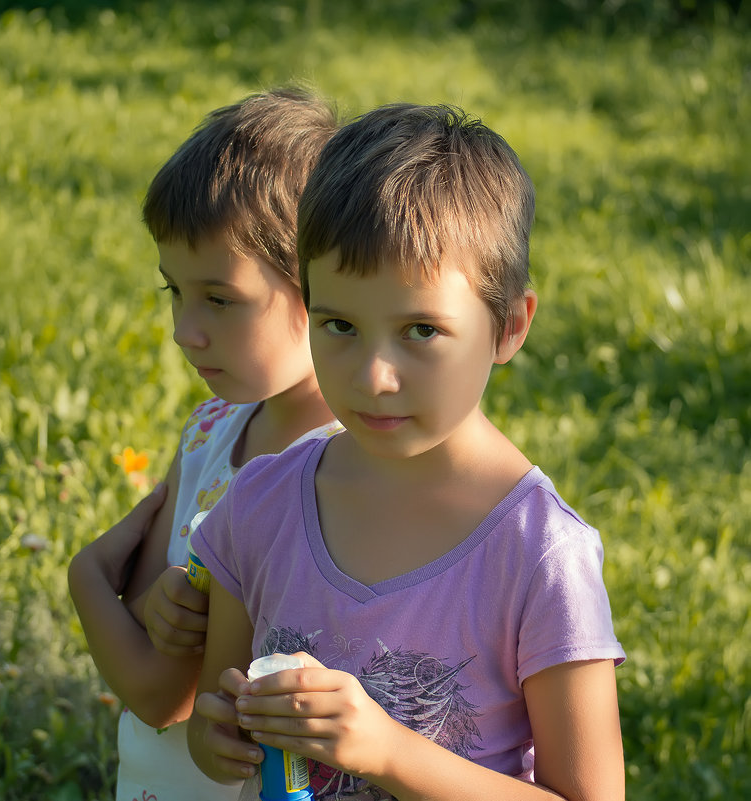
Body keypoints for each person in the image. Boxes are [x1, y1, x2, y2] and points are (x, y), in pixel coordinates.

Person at [186, 103, 626, 801]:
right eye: (340, 324)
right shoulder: (262, 502)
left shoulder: (538, 552)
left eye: (420, 330)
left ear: (508, 327)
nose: (372, 376)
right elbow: (213, 724)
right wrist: (220, 735)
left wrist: (390, 752)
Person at [68, 88, 342, 801]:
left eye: (219, 299)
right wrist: (141, 603)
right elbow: (144, 612)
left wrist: (86, 577)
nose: (185, 330)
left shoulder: (341, 471)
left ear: (323, 287)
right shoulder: (213, 428)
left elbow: (160, 691)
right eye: (174, 292)